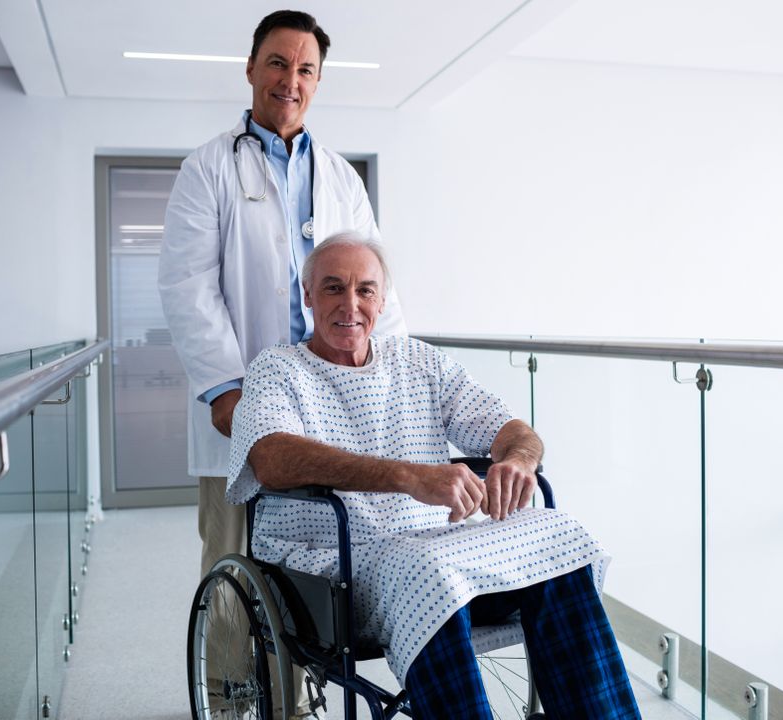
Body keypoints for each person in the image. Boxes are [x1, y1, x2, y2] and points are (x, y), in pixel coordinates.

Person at [226, 234, 642, 720]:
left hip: (436, 549)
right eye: (334, 288)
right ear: (308, 296)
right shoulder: (278, 370)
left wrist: (518, 460)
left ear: (382, 300)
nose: (350, 304)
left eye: (365, 290)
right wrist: (407, 476)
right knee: (426, 571)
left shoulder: (418, 361)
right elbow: (271, 458)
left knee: (559, 535)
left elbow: (514, 431)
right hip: (333, 558)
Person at [159, 10, 406, 718]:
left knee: (311, 571)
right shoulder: (209, 167)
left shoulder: (340, 179)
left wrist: (392, 381)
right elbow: (186, 285)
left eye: (304, 69)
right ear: (250, 68)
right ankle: (233, 705)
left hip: (328, 405)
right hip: (241, 411)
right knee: (235, 574)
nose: (289, 80)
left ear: (319, 82)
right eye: (277, 63)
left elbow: (377, 287)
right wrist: (227, 389)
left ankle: (296, 702)